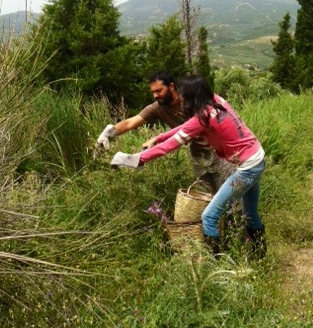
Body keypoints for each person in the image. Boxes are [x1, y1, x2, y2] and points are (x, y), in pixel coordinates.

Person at [110, 75, 267, 258]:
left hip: (247, 168)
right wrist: (159, 137)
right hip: (257, 157)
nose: (181, 98)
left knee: (209, 217)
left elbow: (168, 147)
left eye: (184, 95)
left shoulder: (202, 118)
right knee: (250, 213)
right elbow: (185, 128)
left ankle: (218, 265)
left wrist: (133, 159)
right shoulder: (216, 101)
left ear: (192, 97)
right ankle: (259, 257)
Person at [96, 70, 235, 193]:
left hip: (220, 152)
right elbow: (130, 122)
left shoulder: (191, 98)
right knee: (208, 197)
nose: (156, 95)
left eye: (159, 90)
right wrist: (109, 133)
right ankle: (218, 222)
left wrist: (155, 141)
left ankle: (239, 221)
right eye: (153, 92)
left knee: (232, 196)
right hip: (198, 154)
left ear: (171, 86)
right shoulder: (158, 108)